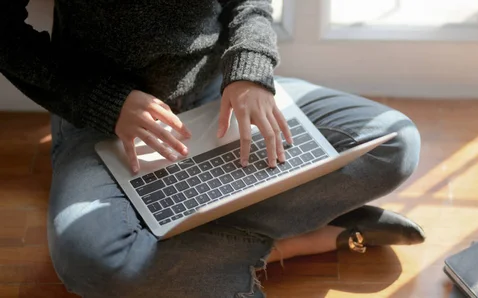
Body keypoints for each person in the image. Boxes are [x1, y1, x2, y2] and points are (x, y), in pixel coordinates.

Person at [1, 0, 426, 297]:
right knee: (89, 259)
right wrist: (108, 102)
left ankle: (181, 247)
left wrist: (250, 71)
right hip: (100, 119)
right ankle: (298, 239)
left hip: (219, 95)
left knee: (394, 142)